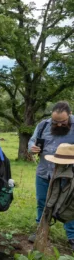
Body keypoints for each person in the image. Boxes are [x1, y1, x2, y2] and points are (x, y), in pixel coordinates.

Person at [27, 101, 74, 249]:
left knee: (68, 205)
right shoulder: (43, 125)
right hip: (44, 171)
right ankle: (41, 231)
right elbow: (32, 141)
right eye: (55, 122)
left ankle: (72, 236)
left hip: (67, 174)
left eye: (63, 122)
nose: (59, 124)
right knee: (42, 202)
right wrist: (32, 148)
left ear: (70, 115)